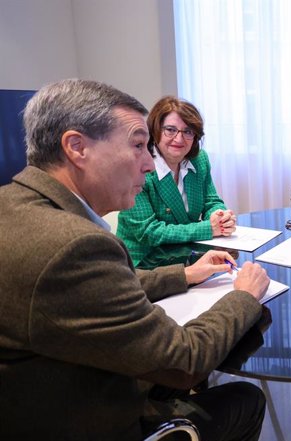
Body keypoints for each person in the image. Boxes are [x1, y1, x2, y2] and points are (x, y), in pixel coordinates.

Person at [0, 79, 271, 441]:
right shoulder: (73, 247)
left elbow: (101, 286)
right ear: (77, 147)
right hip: (90, 414)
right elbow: (183, 360)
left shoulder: (14, 203)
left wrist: (186, 274)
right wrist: (244, 296)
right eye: (139, 145)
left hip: (44, 390)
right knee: (245, 398)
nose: (149, 162)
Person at [117, 96, 236, 266]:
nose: (179, 139)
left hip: (188, 259)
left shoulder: (199, 159)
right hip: (143, 266)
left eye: (187, 131)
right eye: (170, 130)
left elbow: (211, 200)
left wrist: (220, 217)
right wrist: (208, 228)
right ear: (155, 130)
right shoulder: (136, 167)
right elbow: (149, 232)